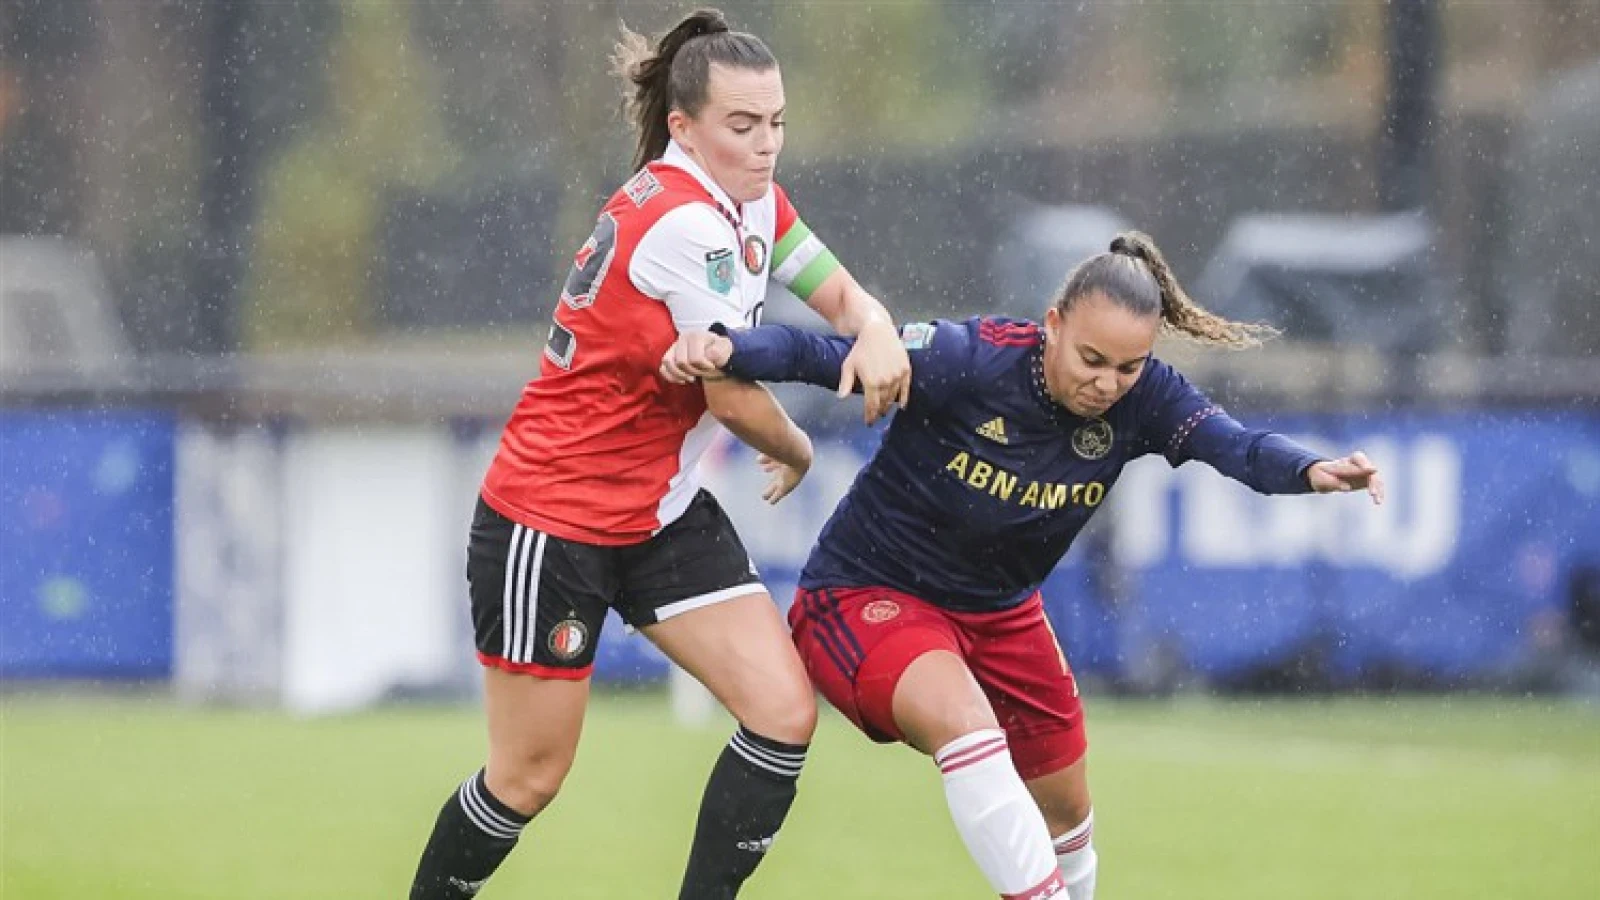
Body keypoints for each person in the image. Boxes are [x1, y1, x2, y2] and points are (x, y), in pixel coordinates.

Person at [660, 231, 1385, 900]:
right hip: (866, 598)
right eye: (1091, 360)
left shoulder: (1149, 399)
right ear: (1053, 324)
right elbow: (823, 355)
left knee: (1069, 816)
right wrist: (728, 349)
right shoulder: (969, 358)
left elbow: (1236, 446)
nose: (1107, 383)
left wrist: (1313, 469)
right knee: (966, 726)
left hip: (1003, 615)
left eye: (1127, 367)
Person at [407, 9, 911, 900]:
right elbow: (725, 389)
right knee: (528, 777)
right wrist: (796, 447)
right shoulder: (687, 222)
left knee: (785, 714)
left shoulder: (750, 199)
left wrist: (874, 326)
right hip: (552, 518)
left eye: (778, 122)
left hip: (658, 512)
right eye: (743, 126)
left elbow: (837, 292)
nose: (767, 146)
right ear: (684, 127)